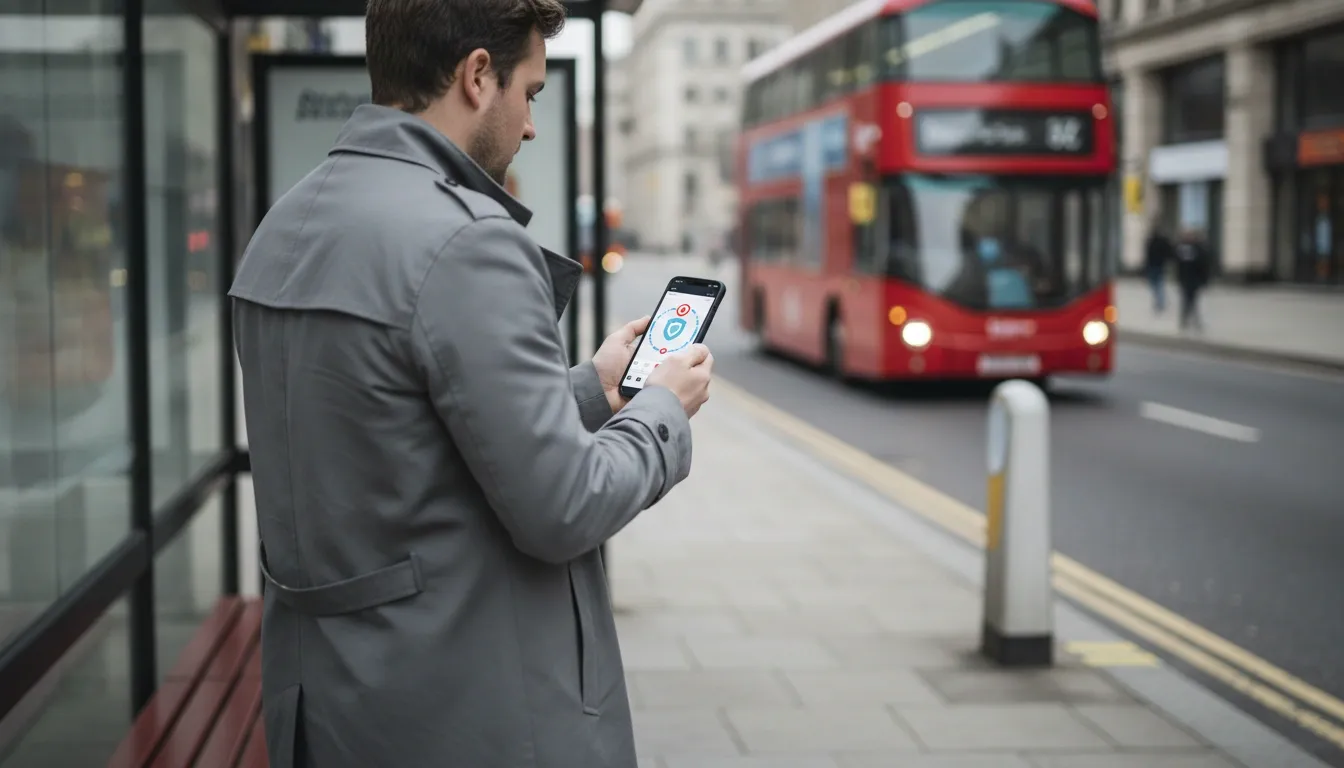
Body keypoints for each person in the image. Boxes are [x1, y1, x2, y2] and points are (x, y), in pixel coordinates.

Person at [227, 0, 714, 765]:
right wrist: (661, 413)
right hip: (470, 711)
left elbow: (404, 443)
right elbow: (564, 505)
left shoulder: (283, 226)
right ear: (477, 76)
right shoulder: (465, 242)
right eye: (531, 93)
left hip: (328, 702)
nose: (529, 126)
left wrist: (592, 388)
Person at [1174, 228, 1212, 332]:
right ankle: (1187, 319)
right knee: (1187, 300)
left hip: (1195, 279)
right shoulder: (1180, 248)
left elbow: (1204, 265)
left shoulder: (1198, 249)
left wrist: (1204, 280)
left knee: (1192, 300)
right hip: (1185, 279)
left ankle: (1190, 320)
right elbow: (1178, 265)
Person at [1144, 221, 1174, 314]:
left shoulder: (1154, 241)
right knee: (1157, 285)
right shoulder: (1156, 241)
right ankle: (1159, 302)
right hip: (1157, 265)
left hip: (1156, 265)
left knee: (1157, 285)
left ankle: (1160, 302)